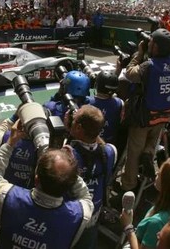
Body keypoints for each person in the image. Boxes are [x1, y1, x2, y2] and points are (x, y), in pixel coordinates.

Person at [0, 121, 94, 248]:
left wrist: (10, 143)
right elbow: (86, 199)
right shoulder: (79, 215)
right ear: (70, 184)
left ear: (36, 179)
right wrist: (70, 168)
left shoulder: (8, 197)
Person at [119, 28, 170, 193]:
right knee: (152, 142)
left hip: (144, 117)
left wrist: (139, 53)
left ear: (156, 47)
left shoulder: (149, 66)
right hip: (164, 116)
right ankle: (148, 154)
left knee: (133, 153)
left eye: (152, 42)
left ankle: (128, 186)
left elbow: (130, 73)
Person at [66, 105, 117, 248]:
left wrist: (70, 131)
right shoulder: (110, 152)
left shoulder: (68, 156)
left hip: (71, 216)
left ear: (78, 128)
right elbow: (99, 143)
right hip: (93, 214)